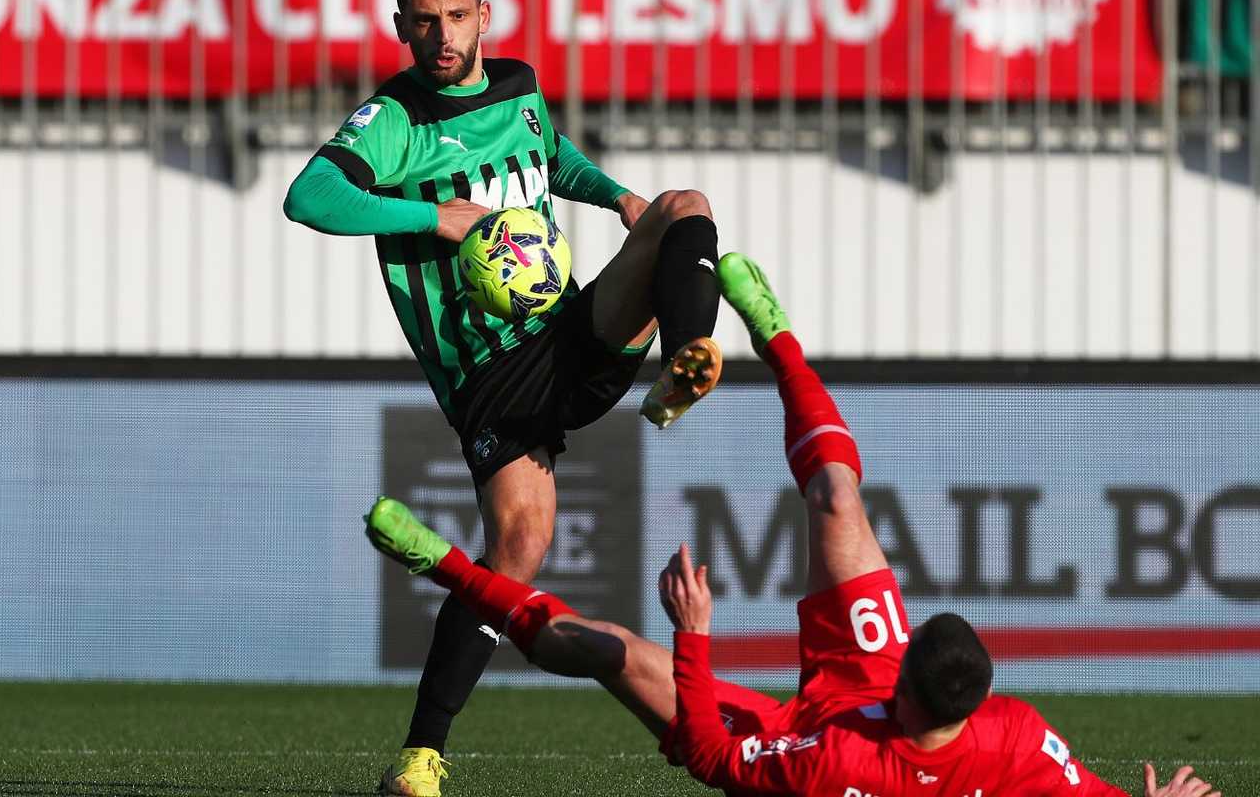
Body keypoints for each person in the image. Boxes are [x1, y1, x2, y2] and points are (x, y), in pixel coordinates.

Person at [363, 252, 1222, 797]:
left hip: (793, 731)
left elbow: (707, 756)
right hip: (861, 679)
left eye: (908, 659)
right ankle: (779, 343)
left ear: (909, 689)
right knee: (840, 500)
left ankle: (442, 564)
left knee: (610, 651)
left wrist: (694, 636)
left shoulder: (839, 767)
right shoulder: (1012, 736)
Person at [284, 0, 725, 795]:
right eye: (422, 21)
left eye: (454, 17)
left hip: (566, 336)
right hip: (490, 379)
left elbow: (549, 155)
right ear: (400, 26)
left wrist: (612, 195)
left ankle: (683, 364)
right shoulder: (396, 119)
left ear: (484, 16)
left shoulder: (518, 85)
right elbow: (311, 196)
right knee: (519, 548)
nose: (440, 35)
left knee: (681, 210)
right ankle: (421, 754)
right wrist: (433, 218)